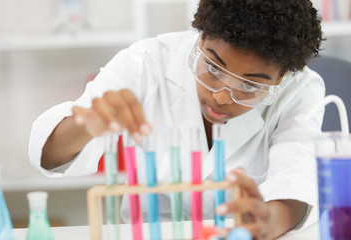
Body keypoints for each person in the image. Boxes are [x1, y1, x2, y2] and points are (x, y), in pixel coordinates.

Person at [29, 0, 324, 239]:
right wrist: (86, 125)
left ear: (283, 77)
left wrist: (270, 220)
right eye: (214, 68)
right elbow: (51, 155)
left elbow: (297, 175)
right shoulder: (146, 63)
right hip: (145, 232)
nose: (221, 97)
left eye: (249, 86)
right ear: (201, 38)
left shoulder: (301, 90)